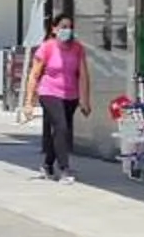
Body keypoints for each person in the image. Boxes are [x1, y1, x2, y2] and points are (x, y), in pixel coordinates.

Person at [23, 12, 93, 182]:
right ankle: (64, 169)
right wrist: (28, 102)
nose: (67, 30)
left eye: (70, 27)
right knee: (61, 127)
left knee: (62, 132)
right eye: (63, 27)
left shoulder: (77, 48)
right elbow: (34, 75)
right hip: (49, 93)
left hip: (70, 95)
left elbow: (83, 75)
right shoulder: (47, 47)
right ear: (54, 29)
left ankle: (47, 165)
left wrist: (85, 100)